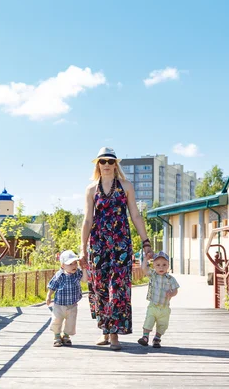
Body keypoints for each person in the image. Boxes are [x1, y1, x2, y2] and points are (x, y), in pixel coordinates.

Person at [81, 147, 154, 351]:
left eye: (110, 161)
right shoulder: (90, 189)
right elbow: (87, 220)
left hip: (121, 244)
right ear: (98, 164)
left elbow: (136, 216)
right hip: (97, 244)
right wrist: (82, 248)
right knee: (100, 287)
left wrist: (145, 242)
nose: (106, 165)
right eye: (102, 161)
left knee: (118, 288)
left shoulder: (126, 186)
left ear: (116, 164)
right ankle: (105, 330)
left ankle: (114, 334)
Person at [46, 250, 88, 347]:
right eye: (70, 264)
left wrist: (84, 269)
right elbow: (52, 286)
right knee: (56, 320)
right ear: (63, 266)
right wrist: (49, 296)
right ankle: (57, 336)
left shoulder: (77, 273)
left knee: (71, 321)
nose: (73, 266)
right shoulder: (60, 275)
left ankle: (66, 336)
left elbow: (85, 280)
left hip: (72, 304)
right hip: (59, 304)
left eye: (75, 263)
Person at [137, 251, 179, 348]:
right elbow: (144, 268)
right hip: (153, 305)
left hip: (164, 308)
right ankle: (145, 337)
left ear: (168, 265)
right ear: (154, 266)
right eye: (158, 265)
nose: (161, 267)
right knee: (149, 320)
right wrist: (146, 259)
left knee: (162, 325)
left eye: (164, 265)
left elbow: (176, 290)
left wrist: (172, 293)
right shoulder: (153, 275)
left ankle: (157, 338)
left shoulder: (170, 279)